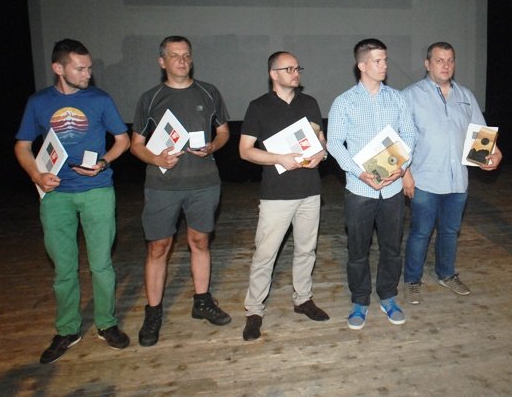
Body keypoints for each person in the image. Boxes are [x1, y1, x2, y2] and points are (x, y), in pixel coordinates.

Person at [14, 39, 131, 363]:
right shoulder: (39, 102)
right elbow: (22, 146)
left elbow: (122, 140)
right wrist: (37, 175)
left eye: (89, 68)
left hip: (97, 191)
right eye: (80, 69)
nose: (87, 74)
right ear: (58, 68)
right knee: (64, 268)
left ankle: (106, 323)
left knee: (101, 264)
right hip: (55, 195)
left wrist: (104, 162)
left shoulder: (100, 99)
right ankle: (68, 329)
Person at [130, 36, 232, 347]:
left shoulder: (209, 92)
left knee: (200, 242)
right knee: (158, 248)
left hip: (205, 182)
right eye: (174, 55)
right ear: (162, 62)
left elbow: (224, 132)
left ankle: (201, 301)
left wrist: (213, 146)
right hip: (162, 185)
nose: (182, 60)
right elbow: (136, 145)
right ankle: (153, 312)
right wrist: (156, 158)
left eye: (186, 55)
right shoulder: (150, 98)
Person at [401, 42, 502, 304]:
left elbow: (481, 134)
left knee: (450, 231)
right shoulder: (410, 96)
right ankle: (412, 280)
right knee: (421, 232)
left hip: (458, 180)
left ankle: (446, 274)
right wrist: (405, 173)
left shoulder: (465, 95)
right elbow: (399, 138)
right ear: (427, 64)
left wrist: (495, 153)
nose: (446, 65)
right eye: (439, 60)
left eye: (450, 60)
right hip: (424, 178)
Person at [239, 51, 330, 342]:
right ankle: (254, 310)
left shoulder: (309, 103)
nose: (295, 73)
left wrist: (321, 153)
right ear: (273, 74)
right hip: (276, 194)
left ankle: (303, 299)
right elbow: (245, 150)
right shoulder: (258, 107)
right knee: (265, 255)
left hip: (310, 191)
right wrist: (279, 158)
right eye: (288, 69)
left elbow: (321, 140)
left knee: (306, 250)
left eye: (297, 68)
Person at [328, 38, 415, 329]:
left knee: (392, 248)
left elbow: (409, 136)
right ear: (362, 65)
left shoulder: (397, 99)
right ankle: (360, 301)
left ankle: (388, 296)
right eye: (378, 61)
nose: (385, 65)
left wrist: (401, 168)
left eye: (385, 60)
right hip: (359, 189)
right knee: (358, 251)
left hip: (392, 189)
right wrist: (359, 172)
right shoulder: (344, 102)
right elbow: (334, 143)